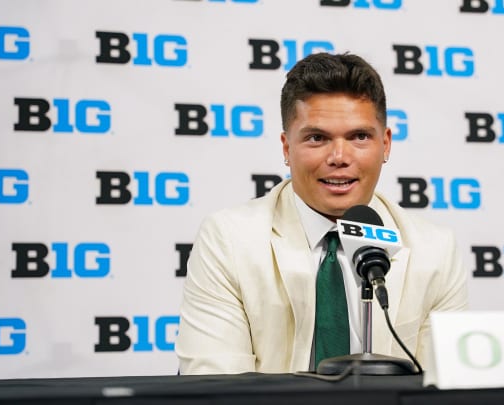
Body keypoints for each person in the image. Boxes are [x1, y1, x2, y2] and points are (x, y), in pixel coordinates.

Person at [175, 52, 469, 374]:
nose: (340, 157)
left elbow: (445, 387)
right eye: (317, 138)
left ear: (385, 145)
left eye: (359, 137)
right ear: (287, 149)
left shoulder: (436, 249)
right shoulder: (229, 240)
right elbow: (217, 386)